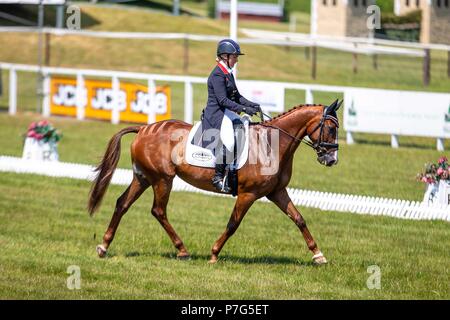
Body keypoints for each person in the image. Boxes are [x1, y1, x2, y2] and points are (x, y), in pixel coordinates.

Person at [200, 39, 260, 193]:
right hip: (216, 115)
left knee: (244, 128)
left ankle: (235, 170)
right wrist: (244, 108)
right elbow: (223, 100)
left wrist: (252, 105)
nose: (237, 59)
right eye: (234, 56)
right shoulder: (217, 75)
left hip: (225, 112)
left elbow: (237, 96)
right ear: (225, 56)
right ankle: (218, 177)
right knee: (231, 142)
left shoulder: (228, 73)